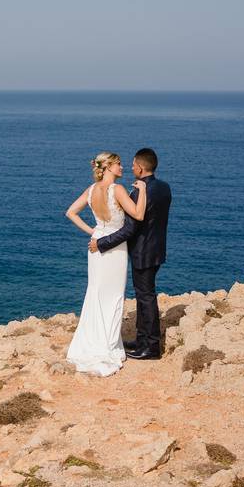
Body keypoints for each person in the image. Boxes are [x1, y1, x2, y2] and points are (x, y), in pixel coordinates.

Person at [64, 152, 147, 376]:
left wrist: (94, 232)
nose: (122, 167)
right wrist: (143, 190)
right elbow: (138, 215)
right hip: (114, 249)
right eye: (119, 163)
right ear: (109, 166)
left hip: (96, 244)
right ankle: (108, 346)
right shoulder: (117, 190)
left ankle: (91, 341)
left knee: (96, 293)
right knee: (114, 296)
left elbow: (70, 212)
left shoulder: (91, 190)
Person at [89, 148, 171, 360]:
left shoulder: (137, 192)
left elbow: (130, 229)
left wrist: (102, 243)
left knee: (145, 298)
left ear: (141, 167)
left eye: (134, 164)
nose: (130, 167)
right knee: (145, 295)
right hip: (157, 249)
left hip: (142, 252)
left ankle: (151, 347)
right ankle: (141, 339)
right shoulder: (164, 188)